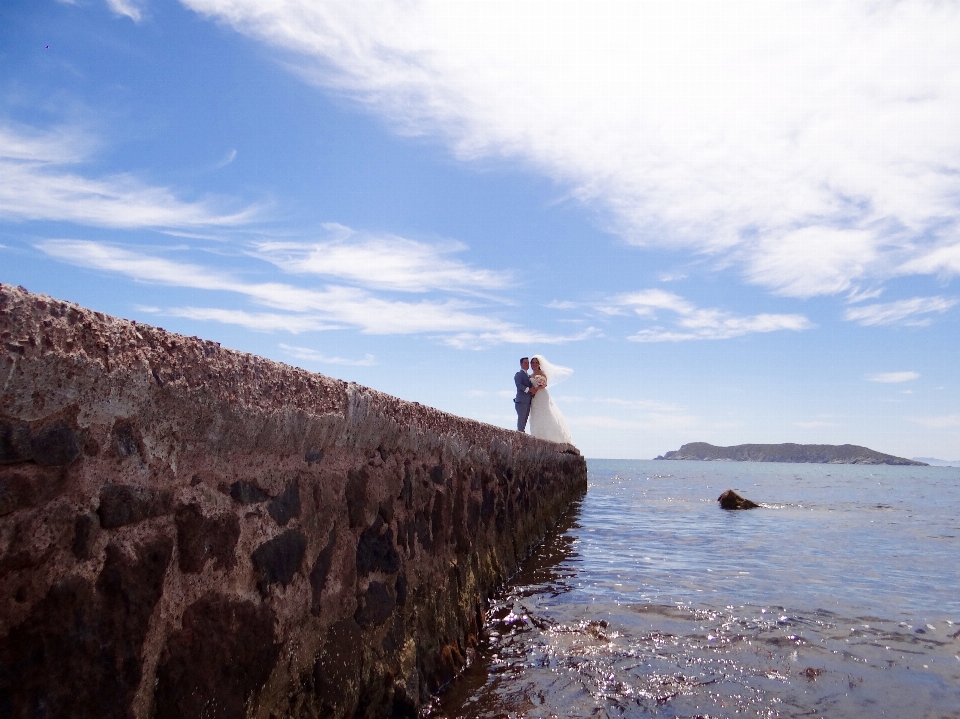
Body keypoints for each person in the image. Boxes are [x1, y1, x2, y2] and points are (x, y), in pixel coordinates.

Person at [528, 355, 575, 445]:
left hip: (541, 395)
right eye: (532, 363)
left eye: (536, 362)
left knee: (545, 413)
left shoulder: (541, 373)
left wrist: (536, 389)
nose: (534, 364)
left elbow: (544, 384)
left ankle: (551, 437)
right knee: (536, 415)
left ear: (539, 364)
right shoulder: (530, 375)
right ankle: (538, 437)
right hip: (534, 398)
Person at [514, 357, 536, 431]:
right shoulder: (519, 374)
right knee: (521, 420)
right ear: (521, 364)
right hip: (521, 401)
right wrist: (529, 390)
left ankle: (522, 434)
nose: (527, 364)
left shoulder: (528, 375)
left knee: (524, 420)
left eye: (528, 363)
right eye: (525, 363)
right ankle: (519, 436)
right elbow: (519, 385)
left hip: (527, 401)